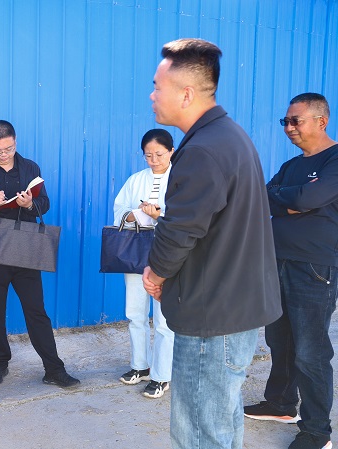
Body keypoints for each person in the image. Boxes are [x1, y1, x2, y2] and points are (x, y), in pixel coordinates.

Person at [141, 38, 281, 449]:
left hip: (213, 315)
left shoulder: (204, 149)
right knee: (221, 420)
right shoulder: (228, 137)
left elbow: (180, 229)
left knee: (201, 431)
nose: (152, 95)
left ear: (186, 94)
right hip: (232, 308)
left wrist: (156, 272)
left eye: (157, 87)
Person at [244, 93, 338, 449]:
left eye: (295, 120)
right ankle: (281, 404)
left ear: (321, 121)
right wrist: (293, 199)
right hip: (276, 261)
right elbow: (262, 197)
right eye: (285, 121)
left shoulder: (335, 159)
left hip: (314, 268)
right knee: (279, 341)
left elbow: (305, 199)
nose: (288, 127)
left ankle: (316, 432)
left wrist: (293, 198)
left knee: (311, 352)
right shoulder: (291, 165)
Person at [0, 119, 80, 390]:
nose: (3, 155)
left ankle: (54, 369)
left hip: (25, 250)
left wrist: (29, 204)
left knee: (37, 311)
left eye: (8, 149)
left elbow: (44, 204)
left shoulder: (30, 168)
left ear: (15, 142)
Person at [113, 129, 175, 399]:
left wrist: (159, 215)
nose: (154, 160)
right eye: (148, 155)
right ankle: (140, 365)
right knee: (135, 312)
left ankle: (162, 376)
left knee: (164, 318)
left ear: (171, 151)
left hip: (169, 254)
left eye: (159, 154)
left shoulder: (182, 180)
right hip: (136, 251)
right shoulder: (136, 179)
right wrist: (134, 214)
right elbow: (119, 210)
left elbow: (188, 219)